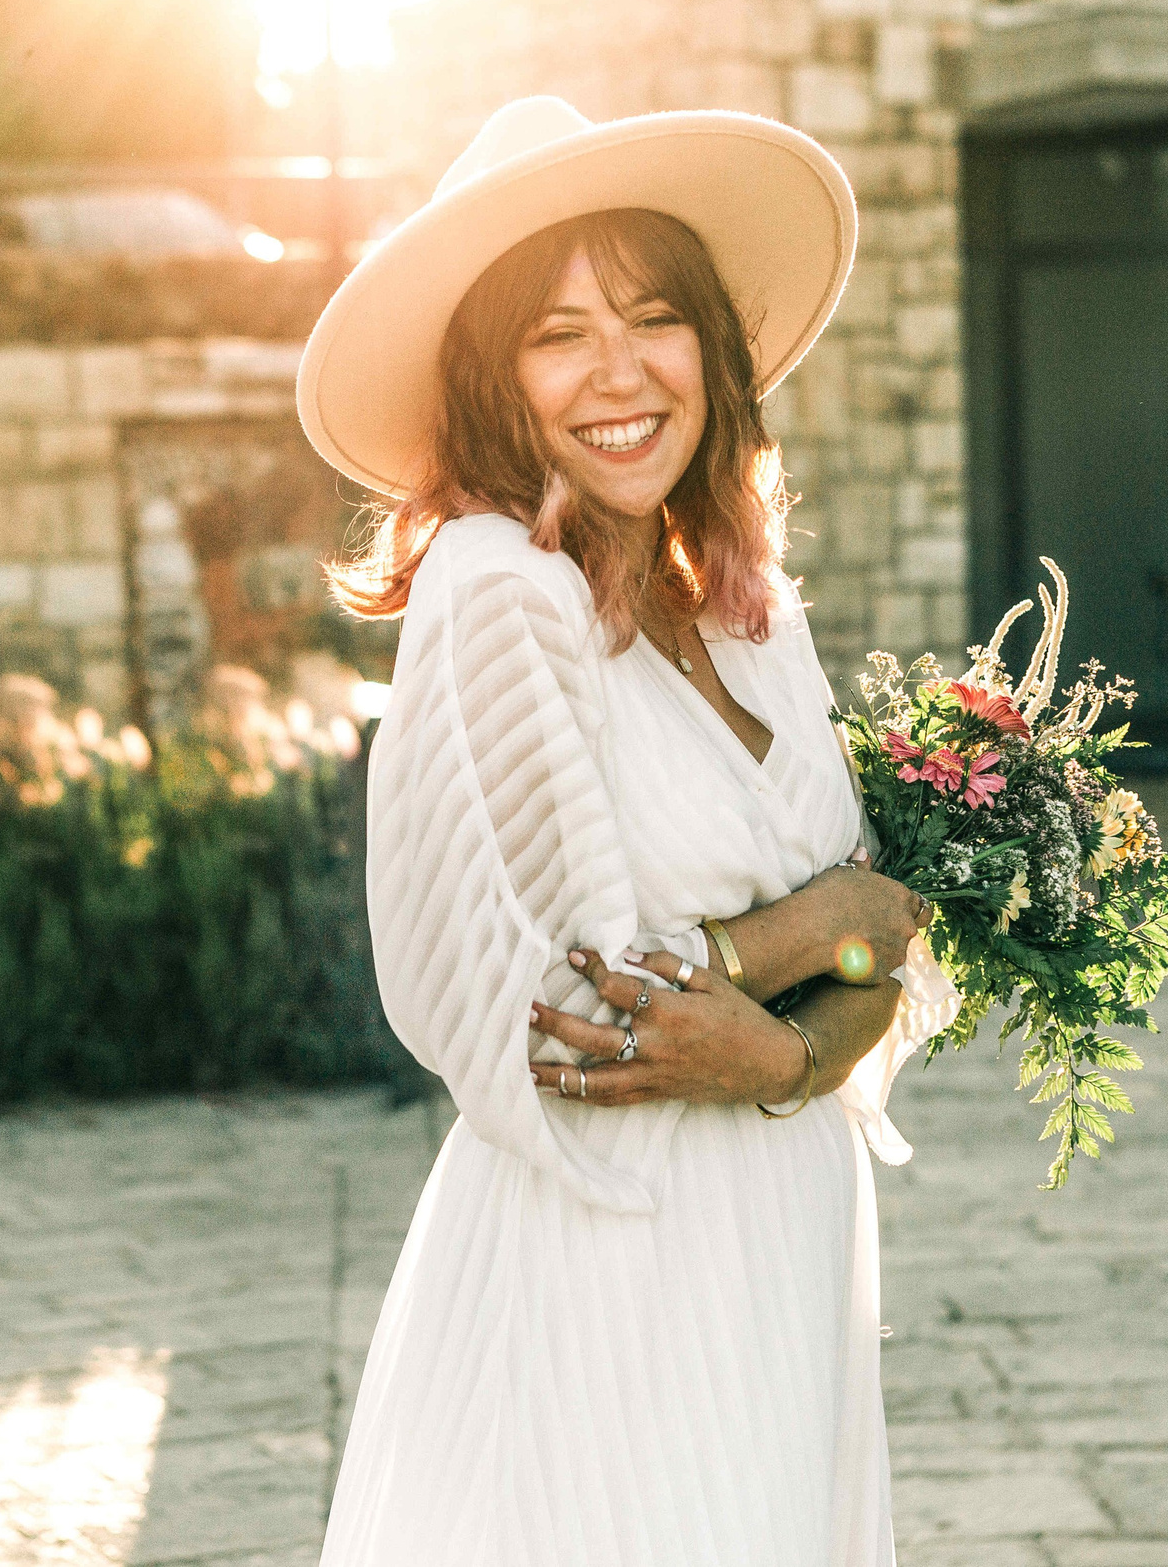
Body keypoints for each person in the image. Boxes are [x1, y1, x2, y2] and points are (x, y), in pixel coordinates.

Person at [297, 96, 959, 1565]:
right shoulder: (494, 590)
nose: (620, 371)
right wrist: (821, 922)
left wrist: (788, 1053)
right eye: (559, 335)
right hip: (613, 1260)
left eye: (655, 318)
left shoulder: (746, 608)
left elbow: (888, 952)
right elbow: (569, 1019)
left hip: (787, 1240)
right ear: (495, 382)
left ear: (710, 352)